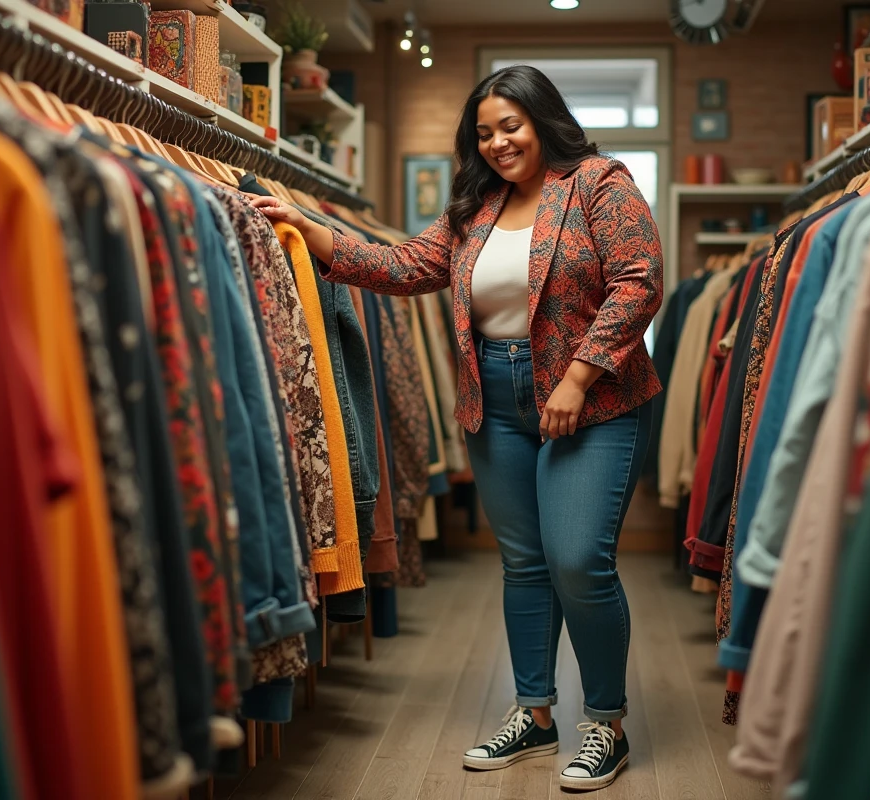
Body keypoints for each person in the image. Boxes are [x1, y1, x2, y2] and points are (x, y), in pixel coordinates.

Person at [250, 64, 663, 793]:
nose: (499, 142)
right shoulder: (477, 205)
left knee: (577, 560)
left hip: (592, 402)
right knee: (525, 564)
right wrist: (308, 229)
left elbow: (639, 279)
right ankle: (534, 714)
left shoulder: (599, 181)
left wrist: (577, 377)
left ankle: (607, 723)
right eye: (485, 132)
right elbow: (404, 264)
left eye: (512, 125)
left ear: (543, 119)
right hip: (494, 403)